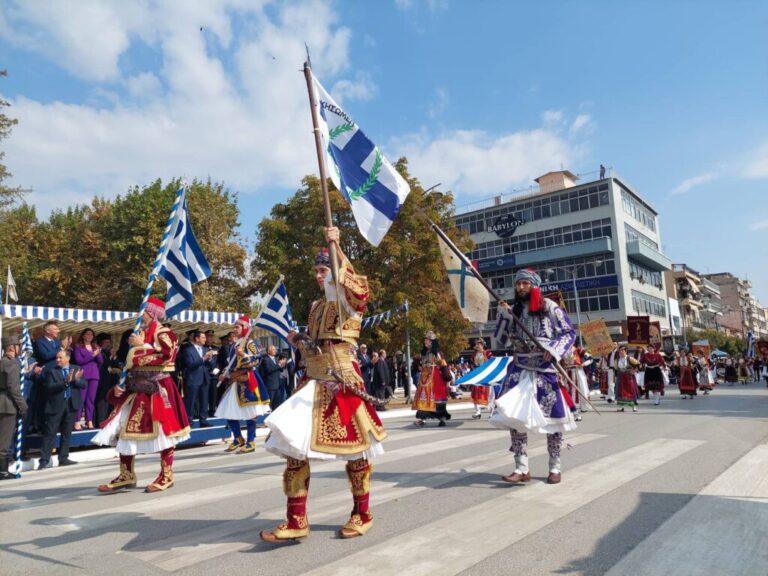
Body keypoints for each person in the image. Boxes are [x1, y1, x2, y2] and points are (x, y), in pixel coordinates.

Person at [260, 226, 387, 542]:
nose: (318, 276)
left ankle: (363, 513)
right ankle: (296, 519)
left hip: (342, 380)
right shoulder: (316, 307)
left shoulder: (348, 301)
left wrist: (338, 249)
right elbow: (315, 346)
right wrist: (301, 341)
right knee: (294, 450)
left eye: (323, 269)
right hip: (313, 382)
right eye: (316, 271)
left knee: (356, 453)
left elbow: (359, 293)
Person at [93, 297, 190, 492]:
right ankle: (126, 474)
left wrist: (142, 346)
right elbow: (130, 363)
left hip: (157, 388)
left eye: (143, 312)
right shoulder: (140, 333)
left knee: (162, 431)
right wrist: (122, 384)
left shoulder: (165, 333)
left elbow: (167, 357)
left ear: (152, 313)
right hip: (135, 387)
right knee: (124, 428)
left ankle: (166, 475)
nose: (140, 316)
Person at [490, 268, 576, 485]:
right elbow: (501, 340)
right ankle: (521, 467)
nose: (520, 287)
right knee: (515, 418)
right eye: (518, 284)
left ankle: (554, 466)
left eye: (525, 284)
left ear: (534, 286)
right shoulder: (514, 310)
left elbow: (568, 332)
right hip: (519, 368)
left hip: (544, 369)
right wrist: (503, 316)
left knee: (553, 421)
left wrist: (555, 349)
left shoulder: (549, 307)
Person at [215, 316, 271, 453]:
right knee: (226, 410)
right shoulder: (234, 345)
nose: (234, 329)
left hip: (247, 380)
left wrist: (244, 355)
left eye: (237, 327)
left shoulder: (249, 343)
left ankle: (251, 441)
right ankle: (238, 438)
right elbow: (231, 365)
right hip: (234, 381)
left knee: (250, 412)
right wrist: (225, 374)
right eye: (234, 327)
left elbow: (257, 359)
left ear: (245, 328)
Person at [38, 350, 86, 468]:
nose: (57, 360)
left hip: (71, 404)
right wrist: (65, 382)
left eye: (60, 357)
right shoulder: (52, 371)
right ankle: (44, 460)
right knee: (50, 432)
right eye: (57, 358)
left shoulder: (76, 368)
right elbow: (49, 388)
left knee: (67, 432)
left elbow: (84, 385)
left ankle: (63, 457)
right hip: (55, 405)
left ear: (68, 358)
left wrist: (76, 380)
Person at [0, 337, 28, 479]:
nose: (20, 349)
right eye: (18, 346)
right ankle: (2, 471)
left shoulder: (1, 361)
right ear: (12, 347)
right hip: (8, 405)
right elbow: (14, 389)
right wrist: (23, 406)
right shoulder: (12, 363)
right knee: (4, 440)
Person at [412, 332, 451, 427]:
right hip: (424, 378)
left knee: (436, 398)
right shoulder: (423, 353)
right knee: (423, 398)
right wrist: (418, 365)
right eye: (425, 339)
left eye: (427, 340)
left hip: (435, 377)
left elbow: (444, 365)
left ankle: (442, 419)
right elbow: (417, 362)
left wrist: (447, 378)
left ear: (432, 342)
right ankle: (422, 419)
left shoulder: (437, 353)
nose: (425, 341)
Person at [72, 328, 104, 430]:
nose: (90, 336)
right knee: (81, 399)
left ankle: (89, 420)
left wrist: (98, 353)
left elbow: (100, 361)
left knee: (91, 399)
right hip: (83, 374)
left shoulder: (95, 346)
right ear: (83, 336)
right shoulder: (78, 347)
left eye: (91, 334)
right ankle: (77, 421)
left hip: (94, 375)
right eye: (87, 334)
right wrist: (92, 355)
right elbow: (79, 361)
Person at [181, 329, 214, 428]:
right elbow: (190, 364)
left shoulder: (205, 349)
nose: (205, 339)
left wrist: (210, 358)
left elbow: (211, 365)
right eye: (203, 337)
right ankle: (189, 421)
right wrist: (203, 358)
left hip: (204, 378)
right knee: (191, 401)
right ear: (197, 338)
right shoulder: (188, 350)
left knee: (204, 401)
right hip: (193, 378)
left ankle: (203, 420)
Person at [470, 339, 493, 419]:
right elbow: (472, 364)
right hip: (477, 375)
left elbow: (491, 363)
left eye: (478, 344)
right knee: (475, 393)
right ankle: (477, 411)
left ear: (482, 345)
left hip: (486, 375)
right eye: (476, 344)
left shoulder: (488, 353)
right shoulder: (474, 355)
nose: (477, 346)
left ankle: (491, 412)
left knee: (489, 394)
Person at [614, 346, 640, 412]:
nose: (621, 352)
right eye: (620, 350)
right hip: (621, 377)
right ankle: (621, 406)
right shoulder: (617, 360)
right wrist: (615, 377)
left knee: (631, 390)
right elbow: (616, 369)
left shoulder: (630, 358)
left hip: (629, 377)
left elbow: (638, 364)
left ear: (626, 351)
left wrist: (634, 371)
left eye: (622, 350)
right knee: (621, 391)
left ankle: (634, 407)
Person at [261, 344, 284, 411]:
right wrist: (279, 365)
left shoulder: (276, 359)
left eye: (275, 349)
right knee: (269, 404)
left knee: (277, 404)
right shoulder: (265, 359)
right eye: (273, 349)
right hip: (270, 385)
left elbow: (279, 369)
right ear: (268, 351)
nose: (275, 351)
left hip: (278, 384)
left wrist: (282, 365)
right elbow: (268, 370)